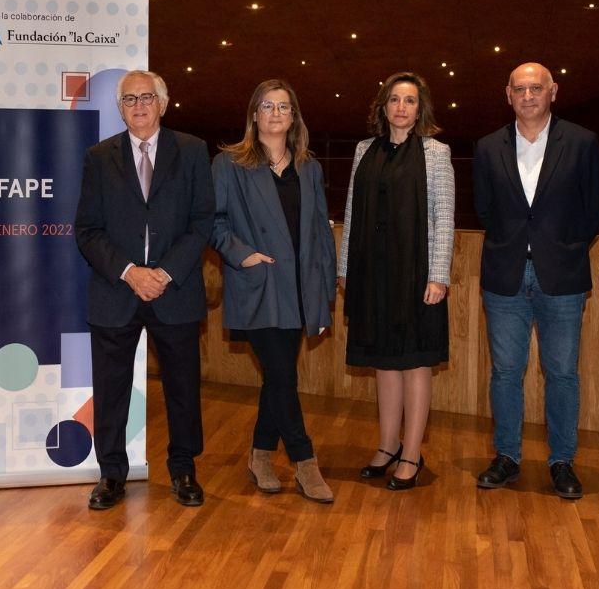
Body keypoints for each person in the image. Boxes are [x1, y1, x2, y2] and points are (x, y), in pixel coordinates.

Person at [74, 70, 215, 510]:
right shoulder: (99, 157)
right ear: (120, 108)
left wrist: (165, 272)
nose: (139, 105)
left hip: (176, 290)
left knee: (182, 387)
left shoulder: (191, 151)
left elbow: (202, 222)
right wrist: (131, 272)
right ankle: (111, 474)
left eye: (147, 97)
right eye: (130, 99)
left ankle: (184, 468)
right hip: (117, 292)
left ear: (163, 103)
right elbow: (88, 230)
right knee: (111, 387)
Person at [472, 63, 599, 499]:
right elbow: (485, 209)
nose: (528, 95)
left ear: (553, 92)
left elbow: (593, 210)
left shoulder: (582, 142)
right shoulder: (488, 147)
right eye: (520, 88)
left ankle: (562, 461)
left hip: (562, 276)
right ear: (507, 94)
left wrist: (561, 247)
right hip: (504, 275)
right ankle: (507, 457)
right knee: (506, 372)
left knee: (563, 373)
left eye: (537, 88)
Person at [210, 79, 337, 503]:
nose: (276, 113)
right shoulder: (230, 163)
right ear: (254, 114)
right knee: (283, 375)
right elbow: (213, 221)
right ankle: (305, 463)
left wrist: (326, 286)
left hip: (299, 288)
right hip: (260, 284)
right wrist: (240, 254)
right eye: (268, 105)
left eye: (285, 106)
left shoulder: (310, 167)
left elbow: (320, 230)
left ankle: (261, 456)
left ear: (294, 116)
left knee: (278, 377)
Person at [338, 72, 454, 491]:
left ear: (420, 109)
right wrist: (346, 270)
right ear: (382, 107)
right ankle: (386, 446)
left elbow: (444, 216)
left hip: (417, 275)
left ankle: (410, 452)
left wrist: (439, 275)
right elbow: (352, 212)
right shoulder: (362, 150)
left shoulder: (436, 153)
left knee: (415, 363)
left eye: (409, 100)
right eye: (394, 100)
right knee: (384, 363)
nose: (401, 107)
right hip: (372, 273)